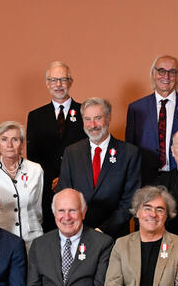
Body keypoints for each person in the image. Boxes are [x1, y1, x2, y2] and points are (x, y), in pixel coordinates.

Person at [56, 97, 142, 238]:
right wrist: (76, 227)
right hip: (78, 233)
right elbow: (63, 194)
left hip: (115, 236)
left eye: (98, 118)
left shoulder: (129, 153)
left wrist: (103, 230)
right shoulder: (71, 152)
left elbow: (131, 201)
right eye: (87, 119)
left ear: (108, 118)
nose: (93, 125)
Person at [124, 55, 178, 185]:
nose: (166, 76)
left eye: (172, 72)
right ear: (153, 74)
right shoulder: (136, 109)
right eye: (161, 71)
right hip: (145, 180)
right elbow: (130, 151)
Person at [26, 61, 86, 231]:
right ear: (47, 83)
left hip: (78, 186)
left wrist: (65, 178)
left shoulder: (84, 112)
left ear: (71, 82)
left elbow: (88, 151)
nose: (58, 84)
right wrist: (54, 179)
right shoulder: (36, 116)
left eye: (63, 79)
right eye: (53, 80)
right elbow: (33, 155)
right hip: (47, 190)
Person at [0, 121, 44, 246]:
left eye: (15, 139)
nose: (9, 145)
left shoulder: (36, 170)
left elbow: (38, 209)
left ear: (22, 144)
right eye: (4, 139)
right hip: (1, 240)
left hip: (32, 239)